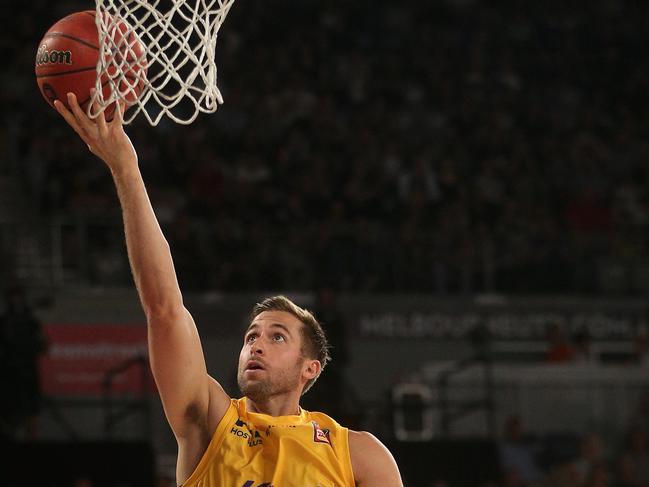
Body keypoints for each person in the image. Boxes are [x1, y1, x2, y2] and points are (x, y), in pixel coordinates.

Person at [54, 93, 403, 487]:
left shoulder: (357, 453)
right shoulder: (210, 420)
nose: (256, 345)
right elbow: (164, 309)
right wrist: (125, 168)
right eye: (251, 336)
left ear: (310, 368)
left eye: (277, 336)